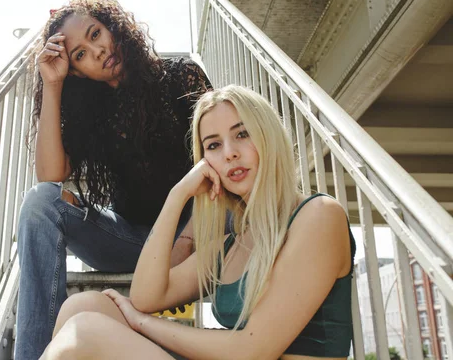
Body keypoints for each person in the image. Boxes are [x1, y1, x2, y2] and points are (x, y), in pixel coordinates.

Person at [42, 85, 356, 360]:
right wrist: (177, 196)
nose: (230, 153)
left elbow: (253, 350)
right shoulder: (228, 247)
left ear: (269, 136)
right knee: (83, 307)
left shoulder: (319, 215)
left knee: (84, 332)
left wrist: (144, 323)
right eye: (214, 145)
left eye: (242, 134)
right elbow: (146, 297)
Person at [16, 0, 213, 359]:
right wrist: (53, 85)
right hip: (133, 242)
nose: (97, 50)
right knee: (40, 203)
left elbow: (216, 164)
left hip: (196, 233)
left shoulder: (179, 77)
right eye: (79, 55)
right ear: (76, 71)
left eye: (95, 34)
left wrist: (183, 243)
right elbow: (50, 176)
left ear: (113, 26)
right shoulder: (91, 112)